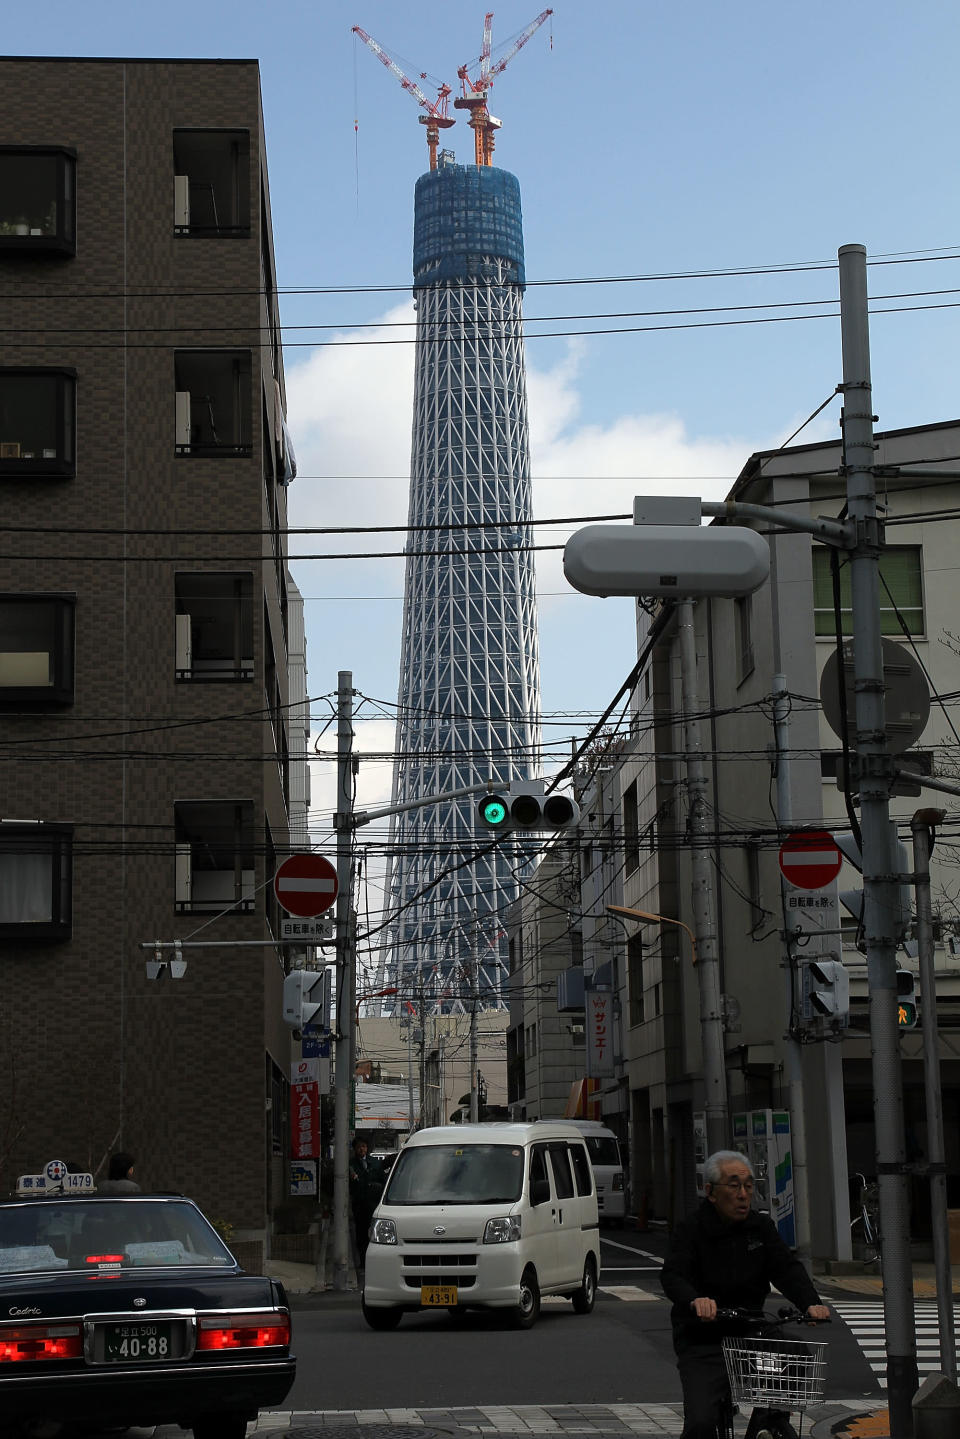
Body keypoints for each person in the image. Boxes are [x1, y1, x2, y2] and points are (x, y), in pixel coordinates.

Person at [660, 1149, 830, 1439]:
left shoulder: (760, 1227)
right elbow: (673, 1275)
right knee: (701, 1423)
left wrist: (811, 1302)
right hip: (703, 1339)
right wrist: (695, 1300)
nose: (743, 1194)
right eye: (734, 1185)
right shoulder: (691, 1229)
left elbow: (786, 1269)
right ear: (711, 1192)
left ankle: (769, 1417)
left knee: (799, 1356)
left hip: (752, 1331)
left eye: (749, 1186)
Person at [348, 1136, 385, 1267]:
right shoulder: (350, 1164)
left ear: (367, 1148)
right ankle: (363, 1262)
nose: (361, 1149)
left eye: (363, 1146)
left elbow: (383, 1180)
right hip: (359, 1205)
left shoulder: (375, 1162)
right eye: (358, 1147)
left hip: (374, 1204)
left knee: (375, 1233)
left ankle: (375, 1261)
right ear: (354, 1149)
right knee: (361, 1235)